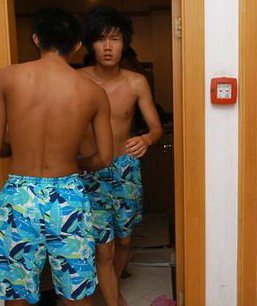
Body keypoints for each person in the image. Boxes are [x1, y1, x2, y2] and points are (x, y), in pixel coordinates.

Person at [0, 7, 113, 306]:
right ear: (78, 44)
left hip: (19, 196)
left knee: (18, 290)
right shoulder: (93, 92)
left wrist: (17, 147)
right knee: (76, 288)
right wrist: (74, 160)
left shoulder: (5, 77)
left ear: (35, 39)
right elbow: (103, 158)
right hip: (67, 195)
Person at [80, 6, 163, 306]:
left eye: (114, 39)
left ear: (123, 43)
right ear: (90, 43)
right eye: (101, 39)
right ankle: (113, 300)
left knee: (124, 240)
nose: (107, 46)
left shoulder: (135, 82)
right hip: (89, 171)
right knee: (103, 248)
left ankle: (109, 288)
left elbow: (156, 128)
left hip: (125, 170)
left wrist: (146, 138)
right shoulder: (78, 80)